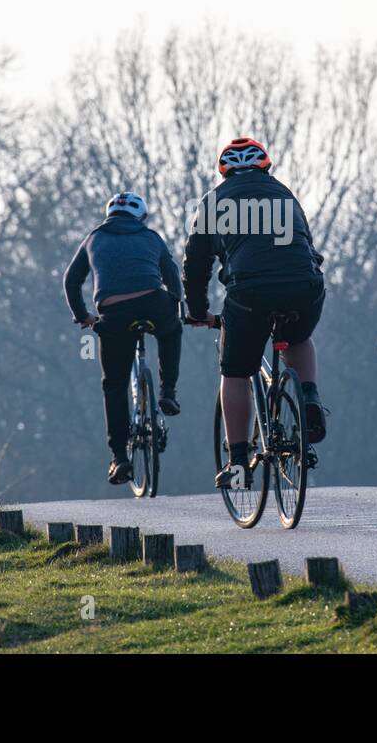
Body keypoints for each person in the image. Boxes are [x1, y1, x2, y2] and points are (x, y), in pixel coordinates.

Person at [182, 138, 327, 489]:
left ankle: (237, 462)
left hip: (249, 294)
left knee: (235, 372)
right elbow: (306, 244)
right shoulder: (284, 194)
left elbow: (195, 266)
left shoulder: (212, 203)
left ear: (223, 172)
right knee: (298, 336)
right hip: (303, 285)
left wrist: (199, 311)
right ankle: (308, 395)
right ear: (266, 166)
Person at [64, 192, 184, 485]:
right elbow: (172, 276)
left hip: (113, 312)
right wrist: (176, 304)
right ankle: (168, 392)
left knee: (114, 384)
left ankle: (119, 459)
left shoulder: (93, 238)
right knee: (171, 330)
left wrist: (83, 316)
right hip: (153, 303)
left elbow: (71, 280)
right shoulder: (151, 237)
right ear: (140, 217)